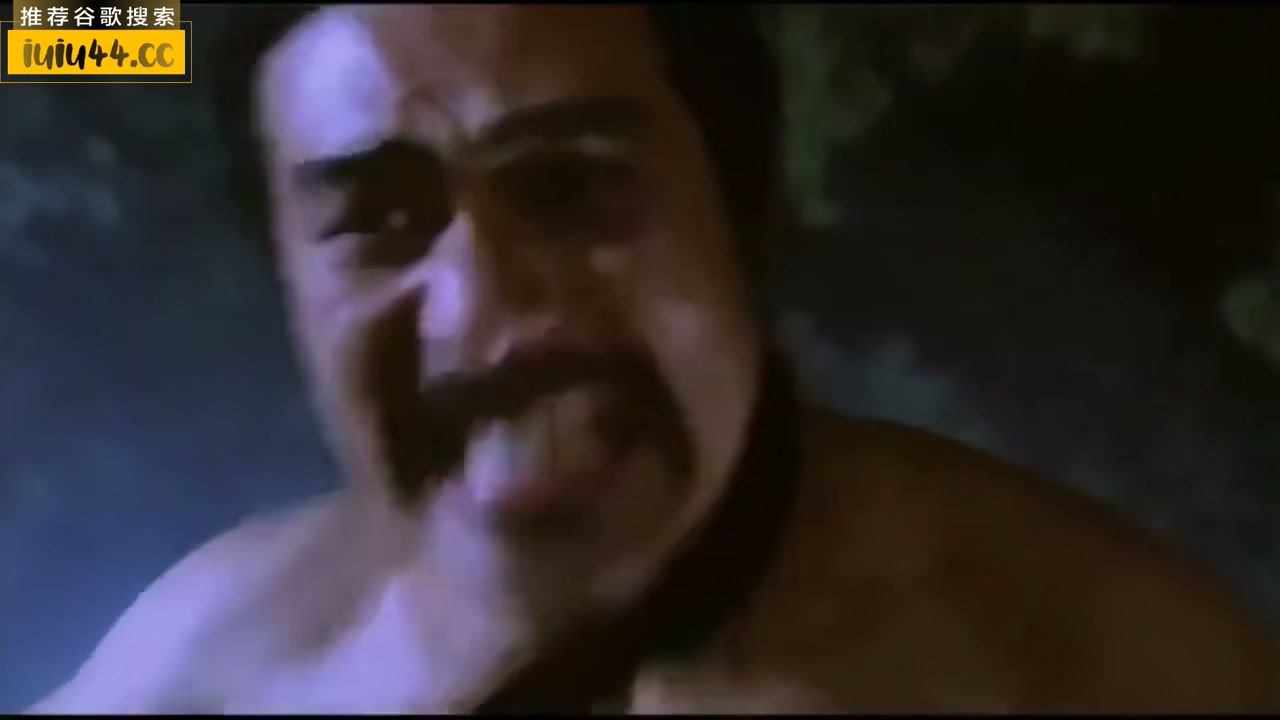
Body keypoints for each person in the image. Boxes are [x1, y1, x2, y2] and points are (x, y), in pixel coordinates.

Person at [30, 4, 1277, 713]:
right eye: (376, 221)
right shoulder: (204, 671)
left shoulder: (1100, 669)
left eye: (572, 188)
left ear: (743, 213)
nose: (476, 307)